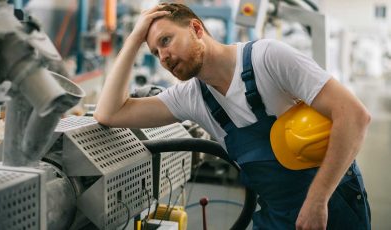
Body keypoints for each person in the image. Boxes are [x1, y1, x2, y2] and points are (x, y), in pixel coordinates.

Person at [94, 3, 371, 229]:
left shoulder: (267, 58)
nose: (163, 57)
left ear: (196, 28)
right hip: (279, 216)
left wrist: (317, 200)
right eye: (155, 52)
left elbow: (355, 116)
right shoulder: (191, 97)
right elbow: (109, 112)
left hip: (332, 204)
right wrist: (133, 39)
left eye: (166, 40)